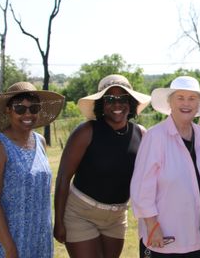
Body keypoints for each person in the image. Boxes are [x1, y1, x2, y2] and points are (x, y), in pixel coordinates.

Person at [53, 74, 151, 258]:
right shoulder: (86, 132)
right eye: (110, 99)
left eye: (123, 99)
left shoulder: (141, 134)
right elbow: (63, 177)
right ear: (101, 104)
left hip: (116, 217)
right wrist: (58, 221)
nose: (117, 104)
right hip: (81, 213)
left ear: (130, 103)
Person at [130, 75, 200, 257]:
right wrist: (152, 226)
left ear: (198, 104)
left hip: (199, 230)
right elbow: (142, 188)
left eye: (192, 98)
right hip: (165, 233)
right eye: (180, 98)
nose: (186, 103)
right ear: (170, 103)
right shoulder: (155, 137)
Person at [0, 82, 65, 257]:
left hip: (38, 235)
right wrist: (9, 247)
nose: (27, 114)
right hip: (8, 237)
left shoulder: (40, 141)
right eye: (20, 108)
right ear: (8, 110)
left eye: (33, 108)